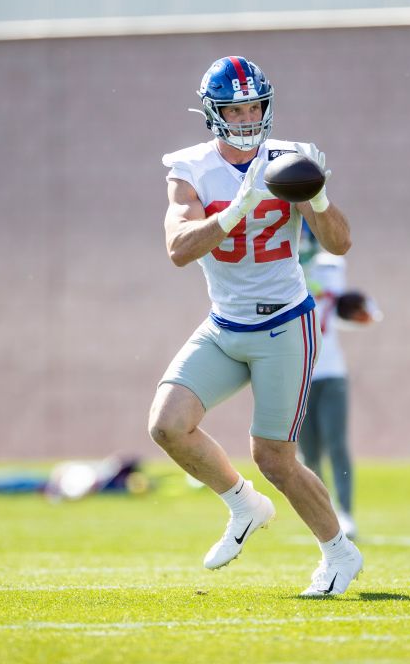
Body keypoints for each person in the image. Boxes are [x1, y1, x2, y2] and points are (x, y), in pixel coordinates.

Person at [147, 56, 364, 596]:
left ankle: (340, 552)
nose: (246, 118)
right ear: (212, 113)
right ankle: (243, 505)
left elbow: (339, 242)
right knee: (167, 425)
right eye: (234, 108)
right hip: (225, 325)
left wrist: (317, 197)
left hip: (285, 324)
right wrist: (232, 211)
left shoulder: (291, 160)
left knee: (274, 458)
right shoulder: (190, 168)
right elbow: (178, 249)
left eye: (253, 107)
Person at [296, 224, 379, 541]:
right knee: (309, 452)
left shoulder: (331, 266)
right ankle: (322, 514)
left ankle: (345, 513)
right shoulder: (279, 266)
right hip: (297, 374)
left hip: (330, 371)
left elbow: (337, 311)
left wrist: (363, 311)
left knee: (337, 444)